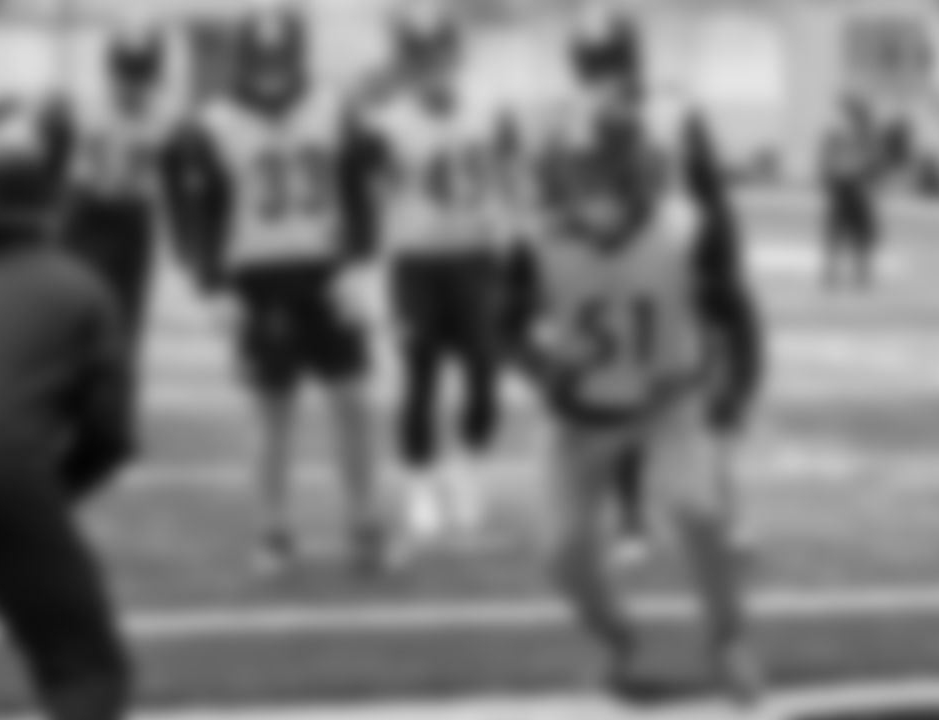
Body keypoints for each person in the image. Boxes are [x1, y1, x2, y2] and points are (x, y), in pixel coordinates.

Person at [502, 8, 766, 704]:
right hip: (579, 412)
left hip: (667, 397)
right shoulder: (539, 238)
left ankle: (729, 639)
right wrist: (540, 365)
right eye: (577, 176)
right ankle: (614, 635)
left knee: (700, 512)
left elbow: (733, 307)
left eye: (601, 176)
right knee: (560, 552)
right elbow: (500, 325)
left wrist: (733, 388)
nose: (586, 192)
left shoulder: (683, 227)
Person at [162, 4, 391, 576]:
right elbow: (191, 211)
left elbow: (363, 190)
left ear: (297, 57)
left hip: (326, 272)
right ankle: (272, 528)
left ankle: (364, 521)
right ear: (242, 60)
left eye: (279, 58)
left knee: (355, 402)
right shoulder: (209, 125)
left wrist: (360, 264)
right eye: (260, 59)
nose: (270, 70)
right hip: (258, 280)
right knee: (271, 411)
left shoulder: (336, 109)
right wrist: (212, 284)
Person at [0, 105, 134, 720]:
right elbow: (110, 435)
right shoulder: (78, 288)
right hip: (1, 478)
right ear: (57, 206)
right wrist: (43, 497)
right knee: (89, 673)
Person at [368, 4, 511, 552]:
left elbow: (508, 177)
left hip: (475, 258)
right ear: (408, 64)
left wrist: (510, 241)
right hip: (417, 264)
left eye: (441, 57)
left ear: (456, 57)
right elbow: (362, 192)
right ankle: (421, 484)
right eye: (421, 59)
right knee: (419, 377)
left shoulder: (489, 111)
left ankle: (470, 470)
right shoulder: (387, 123)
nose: (434, 69)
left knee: (484, 375)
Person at [51, 23, 178, 444]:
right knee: (73, 315)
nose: (132, 86)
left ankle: (114, 415)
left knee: (125, 320)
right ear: (111, 72)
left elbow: (178, 181)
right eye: (126, 75)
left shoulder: (168, 117)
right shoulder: (80, 108)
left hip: (132, 220)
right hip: (84, 213)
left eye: (141, 77)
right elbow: (53, 166)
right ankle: (64, 406)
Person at [822, 98, 882, 290]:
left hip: (856, 186)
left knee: (858, 232)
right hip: (845, 186)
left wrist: (867, 179)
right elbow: (827, 161)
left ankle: (858, 271)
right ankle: (835, 271)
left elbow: (874, 163)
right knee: (840, 230)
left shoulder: (866, 137)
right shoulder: (838, 136)